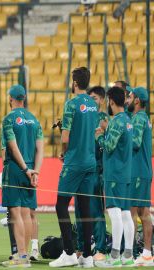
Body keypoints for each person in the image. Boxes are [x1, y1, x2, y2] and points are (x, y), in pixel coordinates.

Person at [50, 67, 97, 268]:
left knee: (61, 205)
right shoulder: (94, 105)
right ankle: (87, 255)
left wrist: (64, 151)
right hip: (90, 162)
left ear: (75, 83)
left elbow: (66, 136)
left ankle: (69, 252)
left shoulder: (71, 104)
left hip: (74, 162)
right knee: (85, 208)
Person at [1, 85, 43, 267]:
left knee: (15, 213)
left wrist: (25, 169)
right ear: (24, 99)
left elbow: (12, 146)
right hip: (32, 169)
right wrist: (35, 171)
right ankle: (24, 256)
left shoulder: (9, 119)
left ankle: (22, 256)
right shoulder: (35, 120)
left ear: (11, 98)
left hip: (16, 168)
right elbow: (40, 149)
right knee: (26, 213)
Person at [95, 86, 135, 267]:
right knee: (126, 213)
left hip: (114, 173)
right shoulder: (127, 120)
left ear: (111, 101)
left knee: (114, 213)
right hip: (126, 173)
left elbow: (109, 146)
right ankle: (128, 256)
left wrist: (100, 135)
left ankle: (114, 256)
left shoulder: (118, 121)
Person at [74, 86, 108, 261]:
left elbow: (106, 147)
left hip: (94, 170)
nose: (91, 101)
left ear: (102, 100)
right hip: (80, 167)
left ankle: (101, 248)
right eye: (90, 98)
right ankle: (81, 248)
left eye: (94, 98)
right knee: (79, 211)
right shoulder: (87, 117)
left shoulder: (103, 119)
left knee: (94, 211)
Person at [126, 87, 153, 266]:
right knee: (144, 213)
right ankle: (146, 254)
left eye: (130, 96)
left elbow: (134, 143)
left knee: (132, 213)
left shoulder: (137, 119)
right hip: (144, 170)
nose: (127, 99)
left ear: (137, 101)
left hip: (137, 171)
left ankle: (131, 253)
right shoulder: (145, 119)